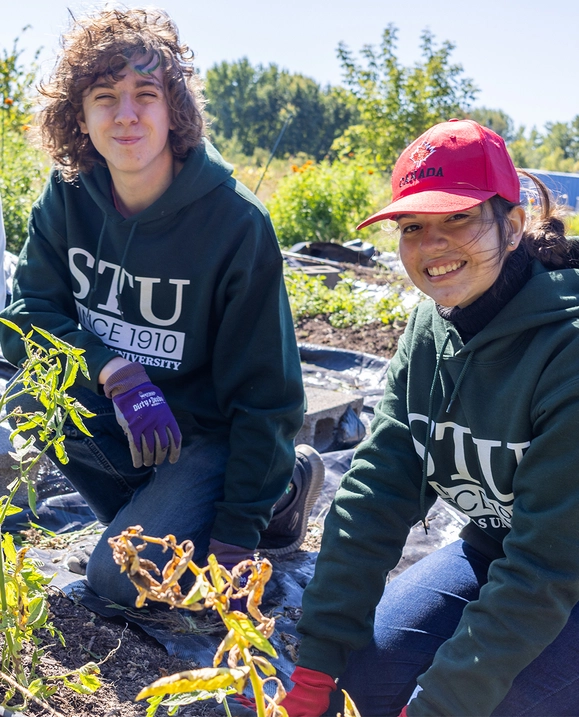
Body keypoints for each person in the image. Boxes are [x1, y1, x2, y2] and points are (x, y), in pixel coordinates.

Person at [0, 6, 324, 607]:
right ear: (79, 115)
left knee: (117, 582)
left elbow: (268, 396)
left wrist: (235, 536)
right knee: (26, 397)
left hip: (208, 436)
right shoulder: (67, 195)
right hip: (124, 415)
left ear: (175, 109)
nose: (125, 114)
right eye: (104, 96)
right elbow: (24, 315)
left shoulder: (236, 225)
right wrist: (117, 372)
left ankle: (277, 492)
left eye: (145, 93)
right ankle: (156, 510)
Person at [281, 119, 579, 717]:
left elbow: (545, 568)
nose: (431, 245)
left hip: (557, 572)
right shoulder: (430, 330)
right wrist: (315, 663)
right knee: (357, 685)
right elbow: (374, 494)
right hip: (494, 550)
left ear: (512, 225)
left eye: (457, 219)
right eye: (413, 227)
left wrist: (441, 704)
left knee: (486, 704)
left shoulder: (567, 350)